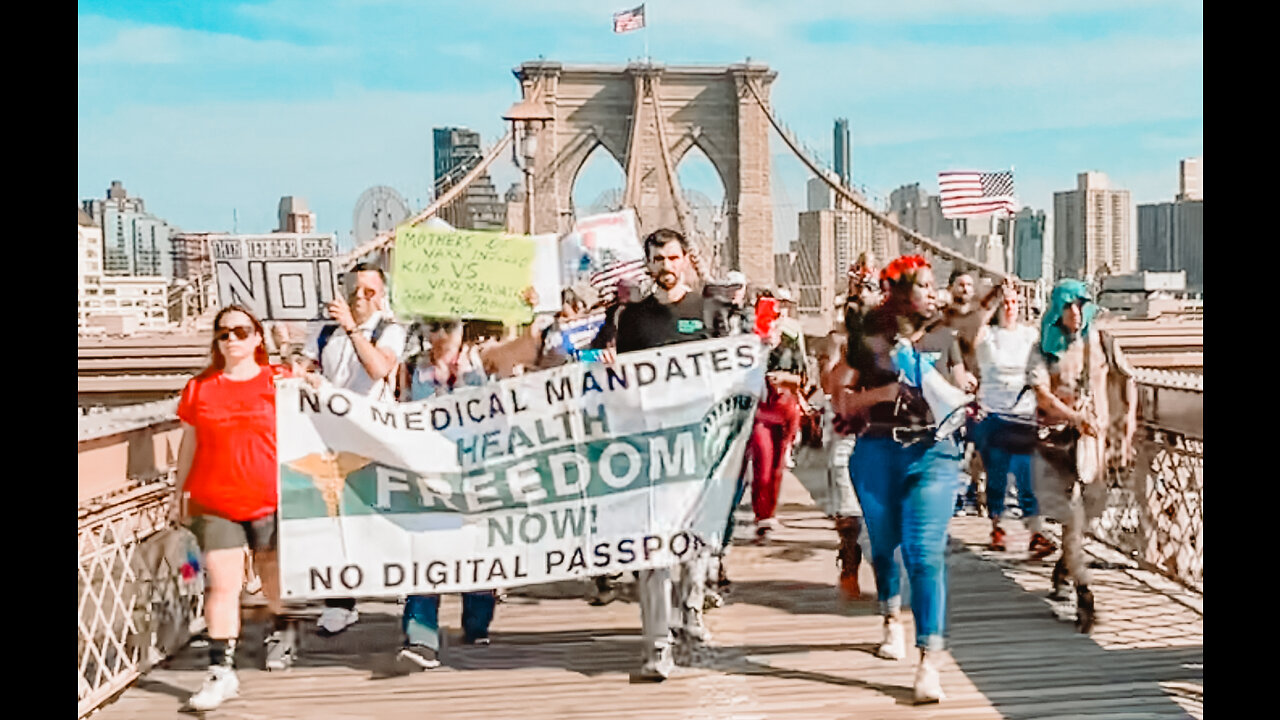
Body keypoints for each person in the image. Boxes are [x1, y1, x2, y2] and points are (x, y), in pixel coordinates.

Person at [825, 255, 965, 704]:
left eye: (932, 285)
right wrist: (885, 392)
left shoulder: (946, 335)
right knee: (883, 546)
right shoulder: (870, 337)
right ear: (901, 291)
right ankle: (891, 617)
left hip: (934, 454)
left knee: (925, 551)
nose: (932, 292)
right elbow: (840, 397)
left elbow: (964, 385)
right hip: (878, 451)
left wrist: (962, 392)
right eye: (922, 285)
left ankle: (929, 662)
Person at [601, 228, 732, 682]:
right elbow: (611, 376)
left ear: (686, 260)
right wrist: (608, 372)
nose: (665, 266)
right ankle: (657, 646)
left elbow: (733, 369)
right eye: (656, 259)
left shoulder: (711, 310)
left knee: (697, 537)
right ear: (648, 264)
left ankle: (691, 608)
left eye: (672, 258)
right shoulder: (632, 318)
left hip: (699, 443)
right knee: (653, 544)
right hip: (650, 446)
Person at [174, 305, 292, 711]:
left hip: (271, 498)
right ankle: (221, 671)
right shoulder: (200, 387)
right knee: (222, 585)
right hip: (214, 500)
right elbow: (189, 442)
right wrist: (178, 491)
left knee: (271, 575)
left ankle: (281, 630)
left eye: (241, 332)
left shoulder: (279, 381)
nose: (232, 340)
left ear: (258, 337)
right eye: (224, 333)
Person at [299, 263, 408, 636]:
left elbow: (379, 368)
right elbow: (302, 367)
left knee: (379, 515)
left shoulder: (389, 330)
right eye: (355, 291)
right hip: (330, 436)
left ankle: (399, 579)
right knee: (335, 520)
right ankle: (340, 601)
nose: (360, 298)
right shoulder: (325, 331)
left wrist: (353, 329)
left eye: (369, 292)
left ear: (381, 295)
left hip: (372, 436)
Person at [394, 316, 497, 670]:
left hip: (474, 474)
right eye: (432, 327)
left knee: (476, 552)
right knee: (424, 557)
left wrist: (528, 316)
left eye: (448, 327)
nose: (440, 335)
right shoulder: (411, 368)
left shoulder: (484, 359)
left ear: (462, 328)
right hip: (429, 476)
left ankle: (477, 621)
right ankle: (421, 638)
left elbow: (530, 350)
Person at [1028, 280, 1118, 634]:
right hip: (1055, 443)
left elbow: (1121, 382)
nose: (1076, 313)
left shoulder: (1101, 342)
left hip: (1091, 444)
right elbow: (1040, 394)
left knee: (1087, 517)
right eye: (1069, 306)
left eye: (1082, 305)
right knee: (1072, 519)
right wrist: (1074, 416)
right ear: (1058, 309)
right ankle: (1084, 594)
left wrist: (1119, 432)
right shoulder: (1043, 350)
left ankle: (1064, 571)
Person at [972, 281, 1054, 557]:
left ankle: (1035, 533)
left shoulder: (1029, 335)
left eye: (1014, 303)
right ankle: (998, 528)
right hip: (994, 415)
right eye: (1006, 304)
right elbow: (973, 333)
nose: (1010, 308)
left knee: (1026, 474)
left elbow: (1044, 366)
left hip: (1023, 415)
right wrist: (994, 298)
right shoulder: (989, 335)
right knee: (997, 475)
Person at [747, 294, 807, 542]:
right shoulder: (747, 345)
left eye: (774, 312)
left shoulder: (790, 342)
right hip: (761, 411)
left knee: (777, 467)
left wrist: (785, 379)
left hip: (786, 409)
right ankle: (762, 516)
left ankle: (769, 514)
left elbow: (802, 375)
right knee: (762, 464)